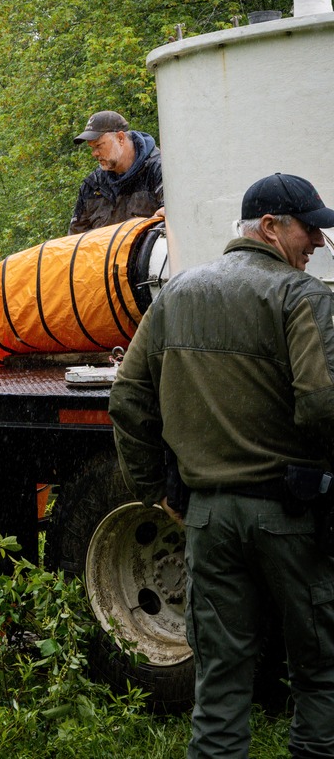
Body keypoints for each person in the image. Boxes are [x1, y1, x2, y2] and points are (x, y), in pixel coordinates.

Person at [108, 172, 334, 759]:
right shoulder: (302, 297)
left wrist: (155, 490)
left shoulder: (176, 294)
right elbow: (322, 406)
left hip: (207, 521)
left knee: (220, 684)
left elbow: (127, 398)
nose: (318, 242)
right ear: (270, 227)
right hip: (292, 515)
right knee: (320, 673)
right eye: (310, 230)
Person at [69, 109, 164, 233]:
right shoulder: (92, 185)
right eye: (92, 148)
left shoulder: (160, 170)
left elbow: (177, 217)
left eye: (98, 145)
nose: (94, 153)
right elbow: (75, 238)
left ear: (120, 138)